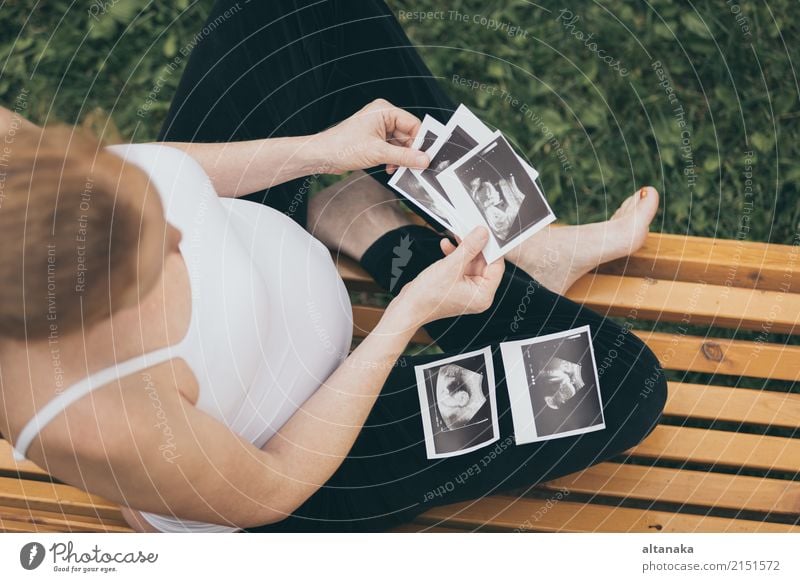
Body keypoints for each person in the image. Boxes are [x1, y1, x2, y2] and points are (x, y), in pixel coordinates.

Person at [0, 0, 666, 533]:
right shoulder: (91, 420)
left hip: (270, 265)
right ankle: (380, 238)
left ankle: (518, 238)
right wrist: (407, 315)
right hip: (311, 449)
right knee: (619, 383)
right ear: (92, 313)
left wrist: (319, 150)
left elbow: (178, 171)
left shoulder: (15, 173)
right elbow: (276, 484)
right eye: (159, 256)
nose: (181, 228)